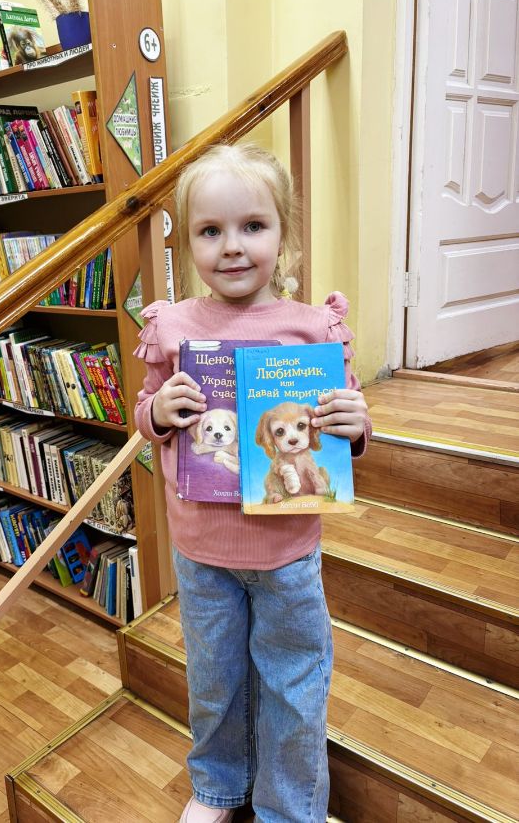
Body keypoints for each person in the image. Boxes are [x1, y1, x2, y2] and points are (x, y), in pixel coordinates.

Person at [134, 143, 371, 823]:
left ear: (283, 234)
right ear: (188, 244)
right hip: (201, 551)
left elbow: (346, 425)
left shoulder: (312, 328)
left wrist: (354, 423)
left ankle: (289, 808)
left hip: (286, 551)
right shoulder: (173, 326)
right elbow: (144, 416)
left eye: (253, 226)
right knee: (214, 680)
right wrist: (158, 411)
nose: (232, 247)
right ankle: (216, 787)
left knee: (293, 685)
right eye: (210, 230)